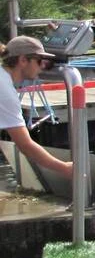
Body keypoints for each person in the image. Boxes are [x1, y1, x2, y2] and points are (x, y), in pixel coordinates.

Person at [0, 36, 72, 178]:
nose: (43, 67)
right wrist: (64, 168)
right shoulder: (5, 91)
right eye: (40, 61)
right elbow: (25, 145)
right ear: (23, 60)